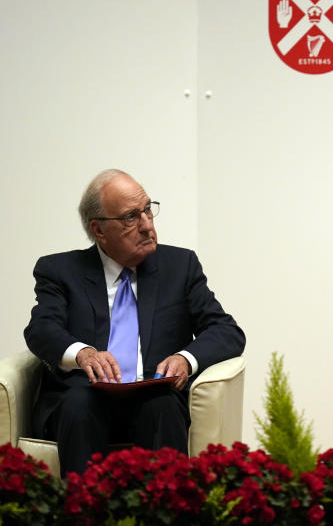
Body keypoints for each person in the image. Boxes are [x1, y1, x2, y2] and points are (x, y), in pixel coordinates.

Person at [24, 169, 245, 476]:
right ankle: (85, 512)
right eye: (130, 217)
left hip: (154, 393)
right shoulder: (60, 270)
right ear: (99, 230)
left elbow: (226, 331)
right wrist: (83, 354)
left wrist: (185, 359)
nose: (146, 225)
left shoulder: (180, 266)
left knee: (164, 405)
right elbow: (41, 329)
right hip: (86, 394)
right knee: (79, 404)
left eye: (147, 210)